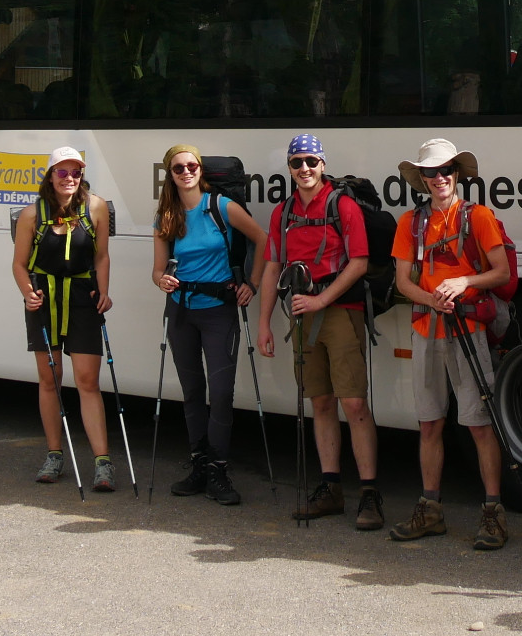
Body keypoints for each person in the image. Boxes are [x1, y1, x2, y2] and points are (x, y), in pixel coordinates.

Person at [388, 138, 512, 550]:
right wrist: (433, 300)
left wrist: (463, 283)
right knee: (429, 424)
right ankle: (431, 509)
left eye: (445, 170)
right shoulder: (410, 222)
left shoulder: (478, 217)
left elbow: (501, 273)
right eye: (430, 172)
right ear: (421, 179)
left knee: (479, 424)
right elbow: (402, 281)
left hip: (468, 331)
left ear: (457, 174)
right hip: (427, 328)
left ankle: (493, 513)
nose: (438, 178)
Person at [256, 133, 383, 529]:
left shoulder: (342, 205)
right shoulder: (283, 213)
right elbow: (272, 267)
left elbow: (359, 262)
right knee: (322, 403)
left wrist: (321, 300)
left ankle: (369, 494)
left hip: (340, 312)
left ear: (323, 164)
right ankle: (331, 488)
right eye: (297, 163)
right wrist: (263, 323)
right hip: (301, 313)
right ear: (290, 169)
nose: (305, 169)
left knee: (355, 405)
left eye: (311, 161)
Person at [153, 143, 267, 505]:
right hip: (181, 311)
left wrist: (253, 284)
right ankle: (199, 465)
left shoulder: (220, 206)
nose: (186, 172)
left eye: (191, 166)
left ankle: (218, 469)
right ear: (169, 175)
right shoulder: (167, 216)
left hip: (218, 310)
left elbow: (263, 240)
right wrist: (162, 281)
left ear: (200, 170)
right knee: (191, 392)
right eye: (178, 168)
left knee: (220, 394)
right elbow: (157, 269)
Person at [11, 147, 117, 491]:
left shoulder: (96, 207)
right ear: (50, 176)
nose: (70, 179)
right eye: (63, 172)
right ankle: (54, 455)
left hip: (82, 297)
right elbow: (19, 263)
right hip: (44, 298)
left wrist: (104, 291)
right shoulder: (31, 214)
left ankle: (103, 463)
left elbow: (101, 257)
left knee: (87, 380)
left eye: (76, 173)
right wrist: (28, 292)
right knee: (49, 379)